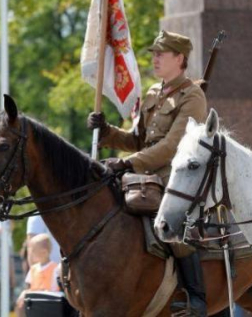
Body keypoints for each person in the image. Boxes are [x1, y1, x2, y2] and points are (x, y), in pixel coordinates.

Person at [88, 30, 208, 316]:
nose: (154, 59)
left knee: (174, 222)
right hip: (144, 176)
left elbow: (171, 146)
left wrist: (128, 163)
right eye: (153, 53)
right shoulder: (154, 92)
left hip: (177, 176)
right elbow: (137, 139)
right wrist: (107, 132)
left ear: (179, 58)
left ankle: (196, 297)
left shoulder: (193, 96)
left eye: (160, 54)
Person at [15, 234, 58, 317]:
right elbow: (30, 287)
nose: (30, 253)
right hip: (35, 304)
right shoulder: (33, 269)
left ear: (44, 252)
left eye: (33, 250)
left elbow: (54, 291)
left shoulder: (54, 269)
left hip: (48, 305)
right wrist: (24, 293)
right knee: (19, 304)